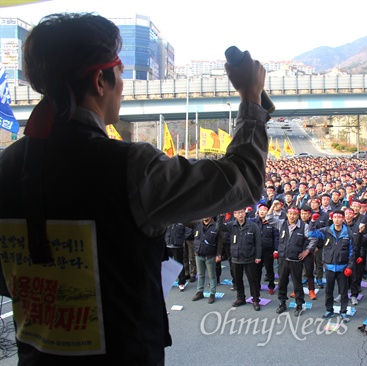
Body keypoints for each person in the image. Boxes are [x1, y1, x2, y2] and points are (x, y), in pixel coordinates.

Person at [0, 13, 268, 366]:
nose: (124, 85)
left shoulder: (6, 167)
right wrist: (251, 97)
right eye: (121, 72)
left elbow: (9, 282)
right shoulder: (132, 168)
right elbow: (245, 178)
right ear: (100, 80)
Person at [308, 210, 355, 323]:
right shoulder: (326, 231)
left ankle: (343, 312)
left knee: (343, 292)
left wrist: (350, 266)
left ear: (343, 219)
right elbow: (311, 234)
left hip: (343, 267)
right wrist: (313, 221)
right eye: (335, 217)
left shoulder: (348, 233)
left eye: (339, 217)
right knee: (328, 291)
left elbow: (352, 252)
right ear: (332, 219)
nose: (337, 220)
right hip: (329, 267)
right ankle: (329, 310)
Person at [270, 206, 316, 316]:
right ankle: (282, 303)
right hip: (283, 259)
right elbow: (269, 218)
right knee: (282, 282)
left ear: (298, 215)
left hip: (296, 260)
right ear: (287, 214)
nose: (292, 216)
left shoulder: (304, 226)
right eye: (290, 214)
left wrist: (307, 251)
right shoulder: (282, 223)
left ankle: (299, 305)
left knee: (297, 283)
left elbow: (313, 239)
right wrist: (273, 205)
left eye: (294, 214)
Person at [226, 208, 262, 310]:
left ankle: (255, 299)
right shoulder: (231, 225)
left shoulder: (253, 226)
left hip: (249, 258)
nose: (240, 215)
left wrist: (258, 256)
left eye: (242, 212)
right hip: (236, 258)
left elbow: (258, 243)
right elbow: (219, 227)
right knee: (238, 280)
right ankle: (241, 298)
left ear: (245, 213)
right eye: (238, 213)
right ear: (235, 215)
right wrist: (220, 216)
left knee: (253, 280)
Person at [191, 217, 224, 304]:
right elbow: (185, 223)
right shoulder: (196, 223)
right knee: (200, 274)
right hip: (198, 254)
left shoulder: (216, 226)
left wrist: (218, 254)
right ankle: (200, 292)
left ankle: (212, 294)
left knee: (212, 275)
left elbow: (220, 242)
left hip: (210, 255)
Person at [250, 202, 279, 295]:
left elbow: (276, 237)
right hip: (257, 251)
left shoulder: (272, 222)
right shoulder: (254, 221)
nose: (262, 212)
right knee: (257, 270)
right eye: (260, 210)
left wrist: (276, 249)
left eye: (264, 210)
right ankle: (257, 286)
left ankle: (271, 286)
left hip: (268, 250)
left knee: (269, 269)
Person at [164, 223, 187, 291]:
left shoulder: (182, 220)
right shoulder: (168, 220)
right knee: (167, 265)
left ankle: (181, 282)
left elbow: (187, 231)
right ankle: (167, 281)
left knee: (179, 264)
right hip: (167, 245)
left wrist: (180, 240)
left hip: (178, 246)